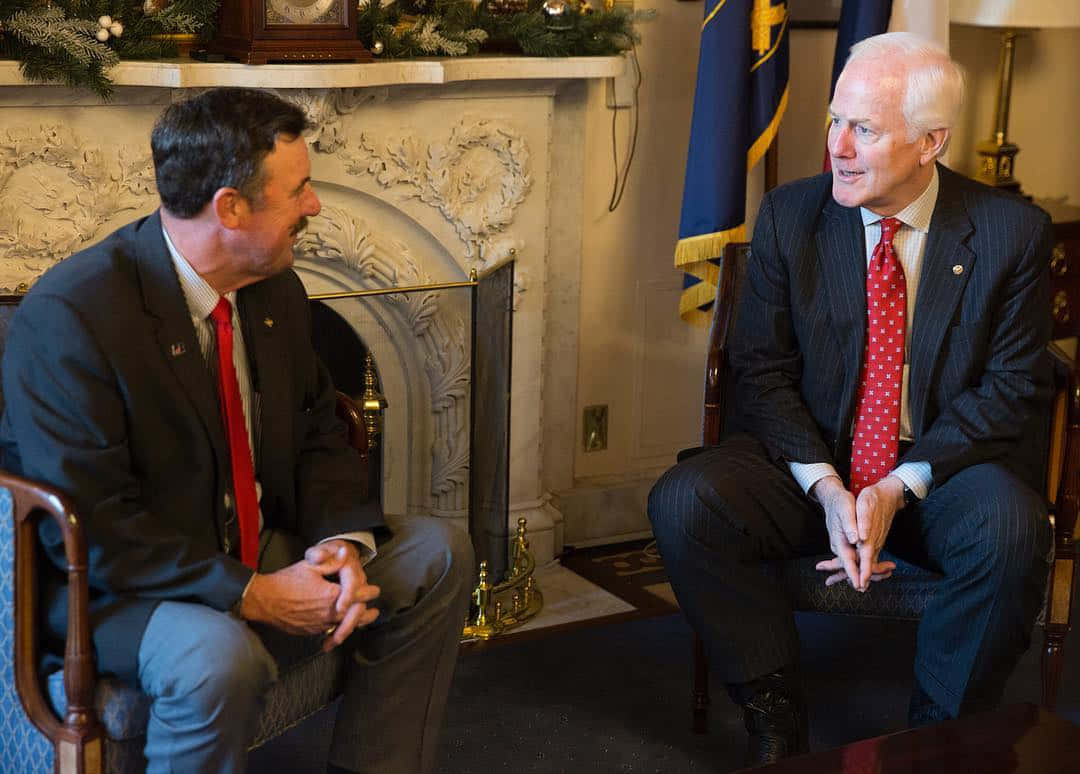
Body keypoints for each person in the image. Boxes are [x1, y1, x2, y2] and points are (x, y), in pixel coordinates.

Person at [0, 87, 473, 774]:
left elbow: (318, 434)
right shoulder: (74, 316)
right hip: (115, 591)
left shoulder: (273, 287)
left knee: (438, 551)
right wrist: (252, 594)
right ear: (230, 207)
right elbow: (97, 525)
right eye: (299, 190)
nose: (314, 207)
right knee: (218, 657)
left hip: (251, 543)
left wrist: (340, 543)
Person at [648, 32, 1053, 767]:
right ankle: (775, 715)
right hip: (812, 464)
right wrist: (830, 487)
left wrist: (899, 485)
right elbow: (761, 371)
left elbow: (1011, 388)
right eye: (835, 120)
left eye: (863, 129)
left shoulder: (1010, 232)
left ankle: (936, 735)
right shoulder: (789, 215)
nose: (836, 145)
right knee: (687, 500)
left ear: (932, 141)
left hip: (939, 472)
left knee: (1013, 529)